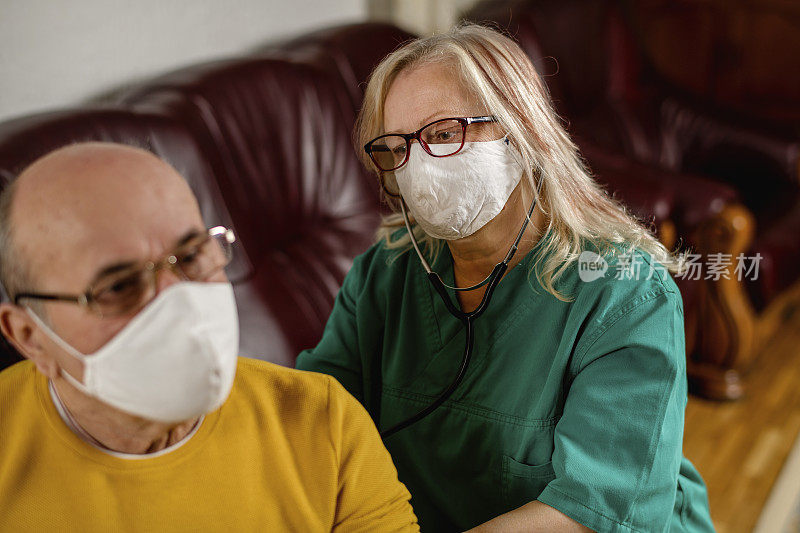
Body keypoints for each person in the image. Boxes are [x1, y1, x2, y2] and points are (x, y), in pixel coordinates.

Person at [297, 24, 715, 532]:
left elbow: (592, 512)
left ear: (521, 129)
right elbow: (317, 413)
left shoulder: (624, 293)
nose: (420, 165)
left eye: (445, 134)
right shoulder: (387, 271)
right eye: (398, 147)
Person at [0, 142, 419, 532]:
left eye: (192, 256)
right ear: (30, 337)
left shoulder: (321, 420)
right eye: (119, 287)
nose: (179, 301)